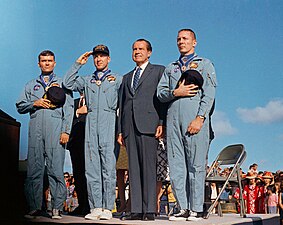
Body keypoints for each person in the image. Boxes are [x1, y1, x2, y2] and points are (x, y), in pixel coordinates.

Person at [157, 28, 217, 221]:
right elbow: (160, 93)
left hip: (194, 120)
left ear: (194, 42)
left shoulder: (205, 64)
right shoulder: (170, 68)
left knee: (196, 165)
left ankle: (196, 208)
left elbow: (209, 94)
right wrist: (177, 93)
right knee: (176, 166)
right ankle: (182, 207)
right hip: (173, 120)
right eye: (178, 39)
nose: (181, 41)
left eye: (185, 38)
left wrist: (200, 118)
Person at [63, 44, 122, 220]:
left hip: (109, 123)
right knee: (92, 168)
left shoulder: (117, 79)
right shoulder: (87, 80)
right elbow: (67, 83)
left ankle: (107, 207)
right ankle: (95, 207)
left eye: (102, 56)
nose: (98, 59)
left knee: (108, 168)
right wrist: (78, 63)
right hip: (91, 126)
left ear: (108, 58)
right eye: (96, 56)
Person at [16, 50, 73, 219]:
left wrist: (66, 131)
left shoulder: (62, 84)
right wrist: (35, 102)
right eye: (43, 60)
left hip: (55, 131)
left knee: (55, 169)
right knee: (34, 169)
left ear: (54, 63)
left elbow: (69, 109)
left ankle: (56, 207)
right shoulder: (30, 85)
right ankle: (34, 206)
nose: (47, 63)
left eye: (50, 60)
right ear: (39, 64)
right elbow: (19, 105)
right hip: (36, 131)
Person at [117, 38, 167, 221]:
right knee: (134, 169)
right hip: (130, 127)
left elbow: (163, 99)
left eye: (140, 49)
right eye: (134, 49)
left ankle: (149, 210)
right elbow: (122, 106)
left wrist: (162, 122)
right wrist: (120, 131)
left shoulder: (159, 71)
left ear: (149, 52)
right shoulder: (126, 77)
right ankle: (135, 209)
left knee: (148, 169)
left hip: (149, 125)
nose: (137, 52)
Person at [66, 93, 90, 216]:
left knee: (89, 176)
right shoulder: (73, 103)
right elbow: (66, 119)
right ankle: (81, 204)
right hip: (75, 144)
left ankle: (89, 205)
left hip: (89, 144)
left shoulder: (93, 102)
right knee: (78, 175)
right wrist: (78, 113)